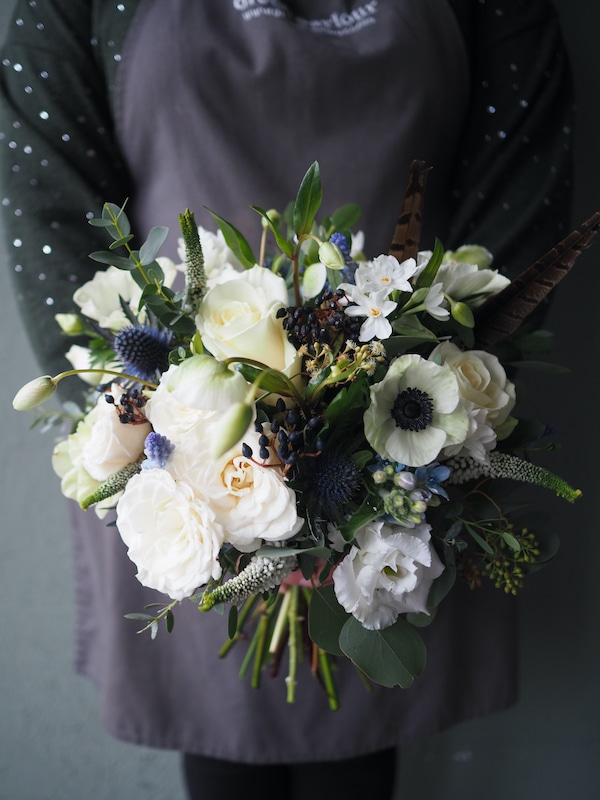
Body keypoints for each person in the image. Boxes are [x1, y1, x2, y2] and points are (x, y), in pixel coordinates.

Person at [0, 1, 574, 798]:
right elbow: (49, 206)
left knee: (368, 718)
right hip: (182, 458)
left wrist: (383, 465)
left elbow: (521, 190)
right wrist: (187, 458)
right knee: (224, 751)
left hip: (416, 446)